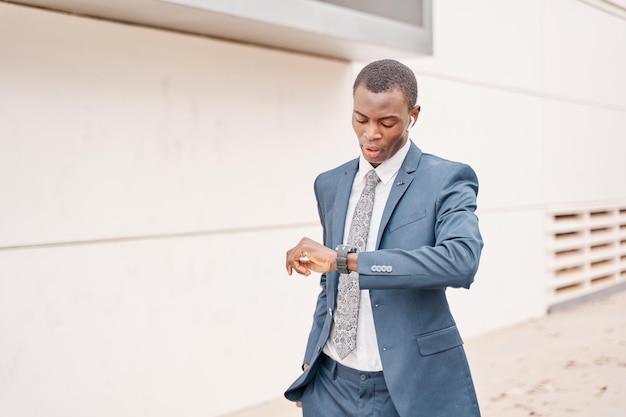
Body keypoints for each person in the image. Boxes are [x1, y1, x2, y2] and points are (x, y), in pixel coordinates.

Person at [284, 59, 484, 417]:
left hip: (410, 386)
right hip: (331, 383)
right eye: (360, 119)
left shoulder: (446, 179)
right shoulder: (329, 184)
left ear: (413, 116)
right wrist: (310, 363)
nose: (371, 133)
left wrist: (346, 260)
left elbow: (461, 261)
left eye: (386, 122)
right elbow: (330, 286)